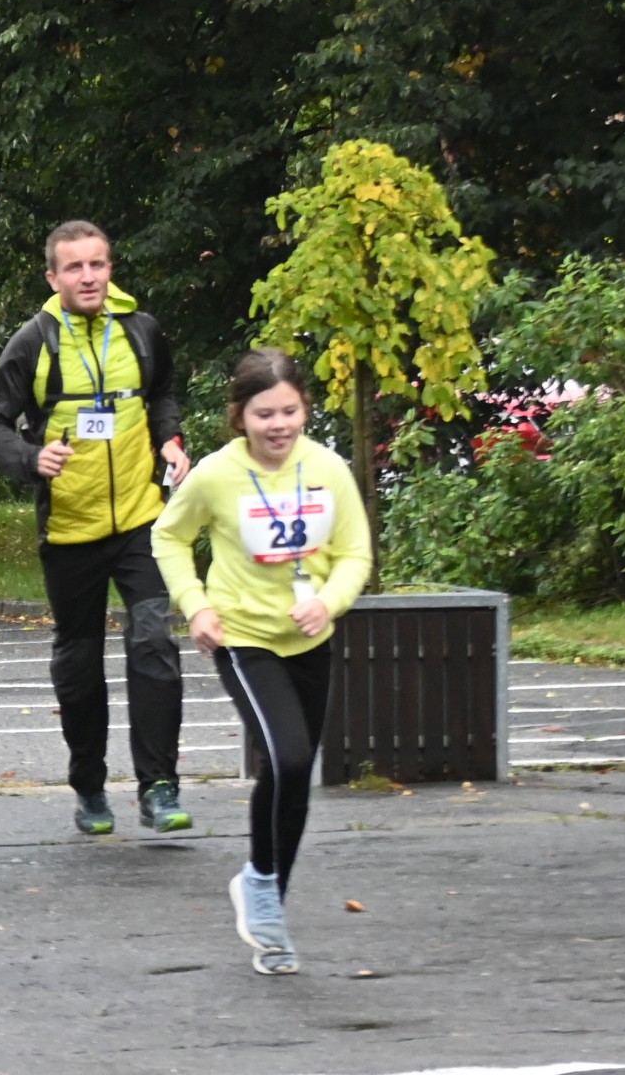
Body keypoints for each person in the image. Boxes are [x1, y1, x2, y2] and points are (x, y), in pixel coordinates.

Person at [0, 219, 194, 836]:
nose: (88, 276)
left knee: (153, 644)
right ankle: (90, 788)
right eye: (74, 267)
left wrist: (171, 439)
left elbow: (161, 395)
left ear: (110, 268)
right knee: (80, 663)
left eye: (97, 264)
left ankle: (159, 786)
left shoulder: (141, 331)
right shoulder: (33, 342)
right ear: (53, 277)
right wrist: (31, 459)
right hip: (71, 529)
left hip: (141, 520)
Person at [158, 349, 372, 976]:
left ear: (305, 410)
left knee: (291, 777)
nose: (278, 425)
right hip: (243, 638)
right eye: (264, 414)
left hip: (310, 637)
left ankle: (267, 900)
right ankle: (261, 887)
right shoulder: (216, 475)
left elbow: (355, 553)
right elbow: (169, 536)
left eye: (289, 412)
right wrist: (196, 606)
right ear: (240, 416)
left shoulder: (328, 469)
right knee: (289, 758)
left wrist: (329, 603)